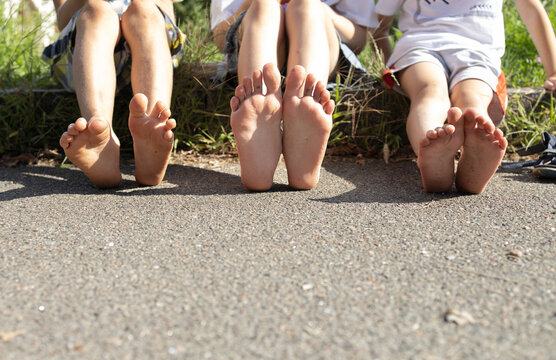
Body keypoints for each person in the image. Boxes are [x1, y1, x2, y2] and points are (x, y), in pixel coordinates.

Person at [373, 0, 556, 194]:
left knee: (433, 94)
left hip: (454, 50)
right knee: (458, 96)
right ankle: (437, 155)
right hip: (428, 48)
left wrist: (553, 72)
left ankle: (440, 147)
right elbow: (379, 25)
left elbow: (379, 25)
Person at [210, 0, 378, 191]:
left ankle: (295, 105)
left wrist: (322, 8)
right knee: (264, 6)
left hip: (321, 45)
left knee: (307, 6)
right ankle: (271, 108)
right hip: (253, 42)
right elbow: (219, 36)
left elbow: (359, 39)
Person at [43, 0, 184, 187]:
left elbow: (167, 10)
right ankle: (99, 132)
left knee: (144, 10)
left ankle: (152, 126)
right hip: (84, 57)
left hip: (150, 51)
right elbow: (63, 20)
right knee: (96, 11)